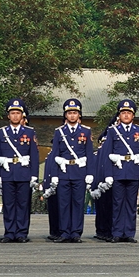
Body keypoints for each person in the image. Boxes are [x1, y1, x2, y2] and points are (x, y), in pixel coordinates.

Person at [100, 99, 139, 243]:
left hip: (133, 171)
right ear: (119, 116)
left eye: (128, 113)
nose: (126, 115)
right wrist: (108, 175)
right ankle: (117, 232)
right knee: (117, 203)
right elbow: (107, 154)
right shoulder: (112, 131)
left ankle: (129, 233)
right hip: (118, 172)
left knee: (131, 204)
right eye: (123, 113)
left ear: (133, 116)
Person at [0, 99, 40, 243]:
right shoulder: (1, 133)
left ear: (22, 116)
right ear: (8, 116)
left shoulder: (29, 132)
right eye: (12, 113)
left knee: (23, 204)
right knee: (8, 204)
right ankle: (9, 232)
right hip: (7, 173)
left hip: (24, 173)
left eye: (18, 113)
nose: (15, 116)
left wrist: (34, 175)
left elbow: (34, 155)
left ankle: (21, 233)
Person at [51, 98, 94, 242]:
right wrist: (54, 175)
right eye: (69, 113)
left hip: (79, 172)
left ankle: (76, 232)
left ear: (79, 115)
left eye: (75, 113)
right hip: (63, 172)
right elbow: (55, 154)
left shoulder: (86, 132)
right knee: (63, 204)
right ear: (65, 115)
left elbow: (89, 154)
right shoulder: (59, 132)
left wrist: (90, 173)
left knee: (78, 203)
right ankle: (64, 232)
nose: (72, 115)